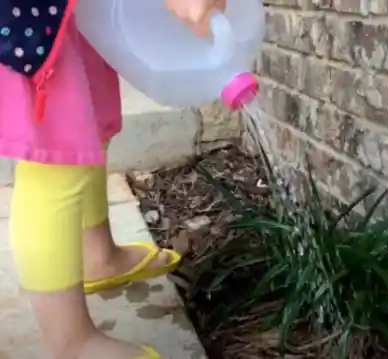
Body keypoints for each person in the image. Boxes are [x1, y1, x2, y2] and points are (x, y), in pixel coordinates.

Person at [1, 0, 226, 358]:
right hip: (26, 22)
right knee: (54, 163)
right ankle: (69, 342)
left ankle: (98, 256)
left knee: (87, 128)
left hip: (59, 15)